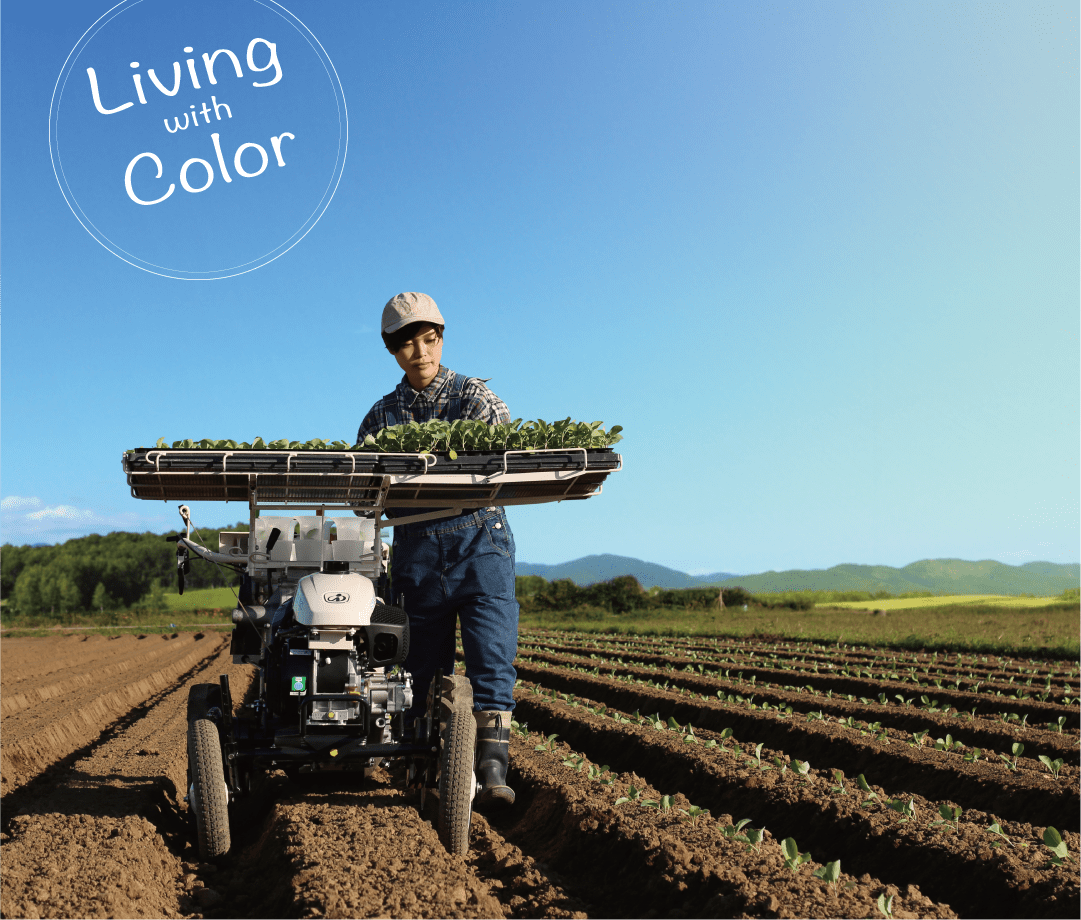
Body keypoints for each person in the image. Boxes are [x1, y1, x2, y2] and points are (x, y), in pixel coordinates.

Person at [356, 292, 518, 808]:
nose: (420, 353)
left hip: (479, 542)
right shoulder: (379, 416)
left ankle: (492, 770)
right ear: (392, 351)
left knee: (491, 657)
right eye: (407, 345)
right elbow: (362, 495)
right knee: (419, 669)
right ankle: (419, 765)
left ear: (441, 340)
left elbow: (501, 445)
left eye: (429, 341)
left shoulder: (475, 397)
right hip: (416, 551)